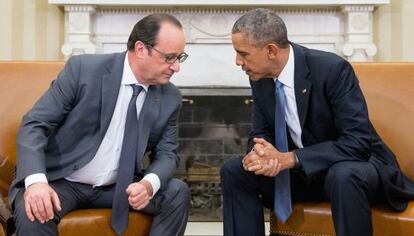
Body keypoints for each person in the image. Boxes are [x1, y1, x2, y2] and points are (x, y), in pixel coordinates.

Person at [220, 8, 414, 236]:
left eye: (243, 54)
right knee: (235, 170)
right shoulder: (260, 78)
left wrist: (290, 158)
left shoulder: (331, 69)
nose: (237, 61)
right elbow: (261, 132)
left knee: (343, 175)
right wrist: (261, 154)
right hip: (307, 174)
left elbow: (358, 142)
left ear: (271, 50)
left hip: (356, 167)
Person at [9, 13, 190, 236]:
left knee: (177, 192)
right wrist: (36, 182)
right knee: (34, 212)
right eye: (169, 58)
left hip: (118, 187)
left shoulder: (170, 97)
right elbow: (34, 124)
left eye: (179, 58)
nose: (176, 67)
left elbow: (167, 154)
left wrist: (147, 185)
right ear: (141, 49)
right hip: (64, 181)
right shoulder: (83, 70)